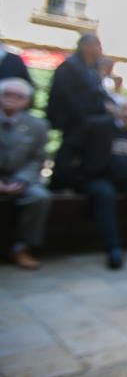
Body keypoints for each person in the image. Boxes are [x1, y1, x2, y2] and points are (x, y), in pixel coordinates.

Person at [80, 98, 127, 270]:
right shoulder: (98, 126)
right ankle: (113, 248)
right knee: (105, 195)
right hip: (100, 178)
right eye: (126, 109)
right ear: (118, 111)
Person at [46, 34, 115, 190]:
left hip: (86, 121)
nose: (100, 50)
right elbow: (66, 96)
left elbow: (98, 93)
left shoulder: (91, 68)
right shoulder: (70, 67)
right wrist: (84, 118)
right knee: (68, 154)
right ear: (86, 46)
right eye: (98, 45)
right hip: (74, 122)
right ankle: (60, 185)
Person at [0, 78, 50, 270]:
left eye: (18, 96)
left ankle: (21, 248)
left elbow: (38, 159)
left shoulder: (38, 125)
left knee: (39, 197)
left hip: (20, 179)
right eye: (7, 94)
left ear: (27, 101)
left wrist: (22, 180)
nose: (12, 99)